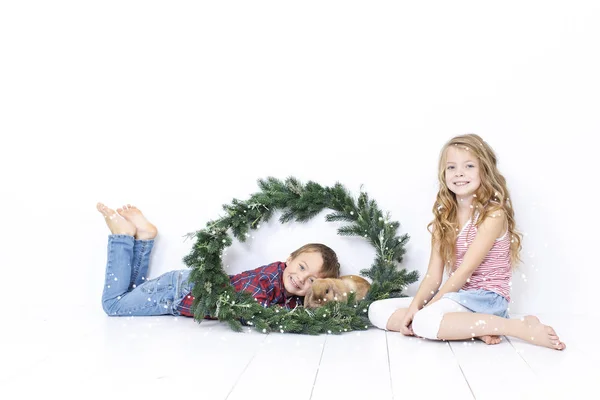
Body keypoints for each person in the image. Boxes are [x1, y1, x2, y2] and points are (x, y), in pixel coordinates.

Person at [368, 134, 566, 350]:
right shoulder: (443, 219)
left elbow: (463, 272)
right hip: (458, 297)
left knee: (425, 321)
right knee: (376, 310)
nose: (459, 173)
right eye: (451, 167)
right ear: (443, 174)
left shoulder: (493, 215)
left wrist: (425, 312)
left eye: (469, 166)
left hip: (487, 300)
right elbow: (433, 277)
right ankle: (472, 328)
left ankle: (516, 327)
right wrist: (416, 306)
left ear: (484, 170)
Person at [96, 203, 340, 318]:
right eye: (301, 267)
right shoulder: (268, 278)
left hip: (182, 288)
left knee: (132, 292)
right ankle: (121, 237)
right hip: (177, 293)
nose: (300, 279)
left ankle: (144, 238)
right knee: (114, 305)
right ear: (289, 259)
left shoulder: (287, 294)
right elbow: (251, 310)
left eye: (311, 280)